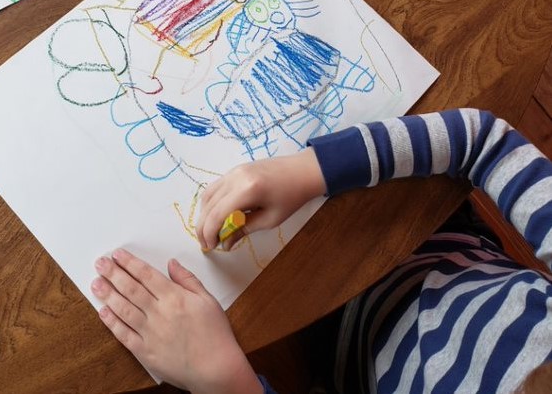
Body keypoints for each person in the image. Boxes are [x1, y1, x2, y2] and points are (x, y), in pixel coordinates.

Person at [90, 108, 552, 394]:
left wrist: (223, 382)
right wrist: (313, 170)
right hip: (427, 234)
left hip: (334, 350)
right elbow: (483, 140)